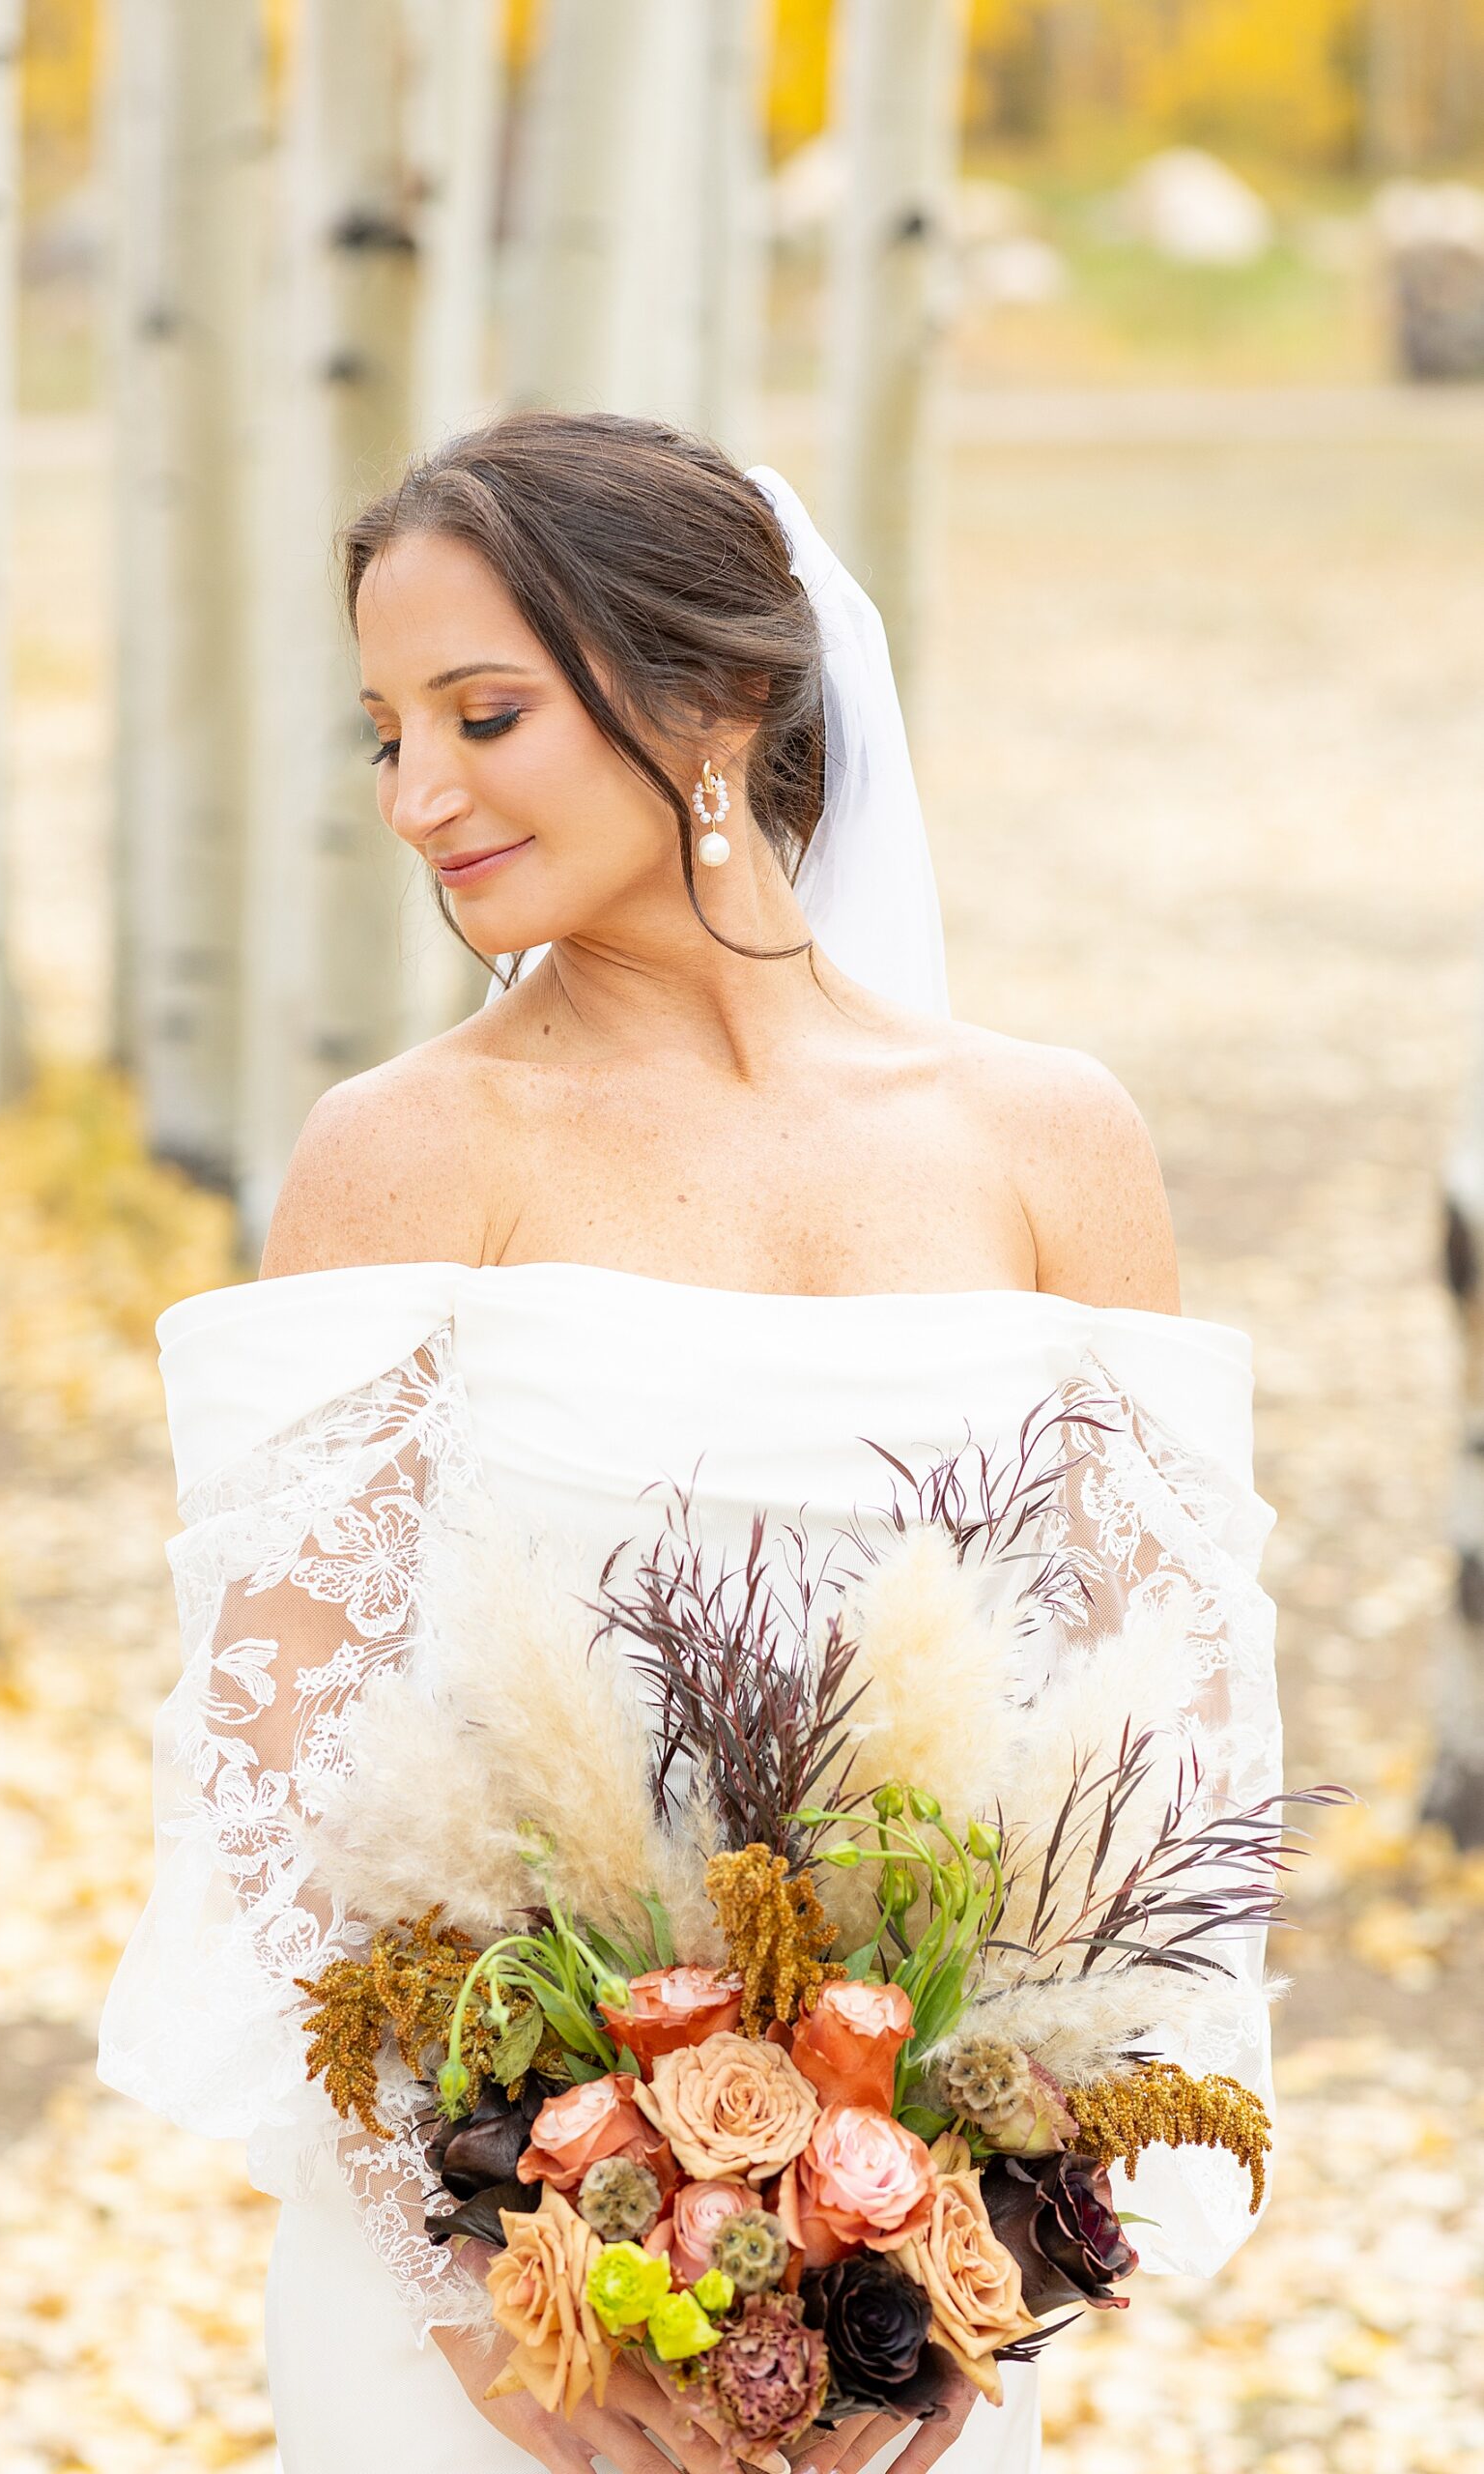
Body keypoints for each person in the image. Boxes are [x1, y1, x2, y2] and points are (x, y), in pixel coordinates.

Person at [99, 413, 1281, 2473]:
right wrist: (490, 2307)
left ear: (719, 697)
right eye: (385, 733)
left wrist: (968, 2262)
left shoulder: (1049, 1143)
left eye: (483, 714)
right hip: (487, 2309)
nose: (417, 795)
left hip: (913, 2303)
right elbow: (275, 1782)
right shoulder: (404, 1152)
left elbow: (1166, 1742)